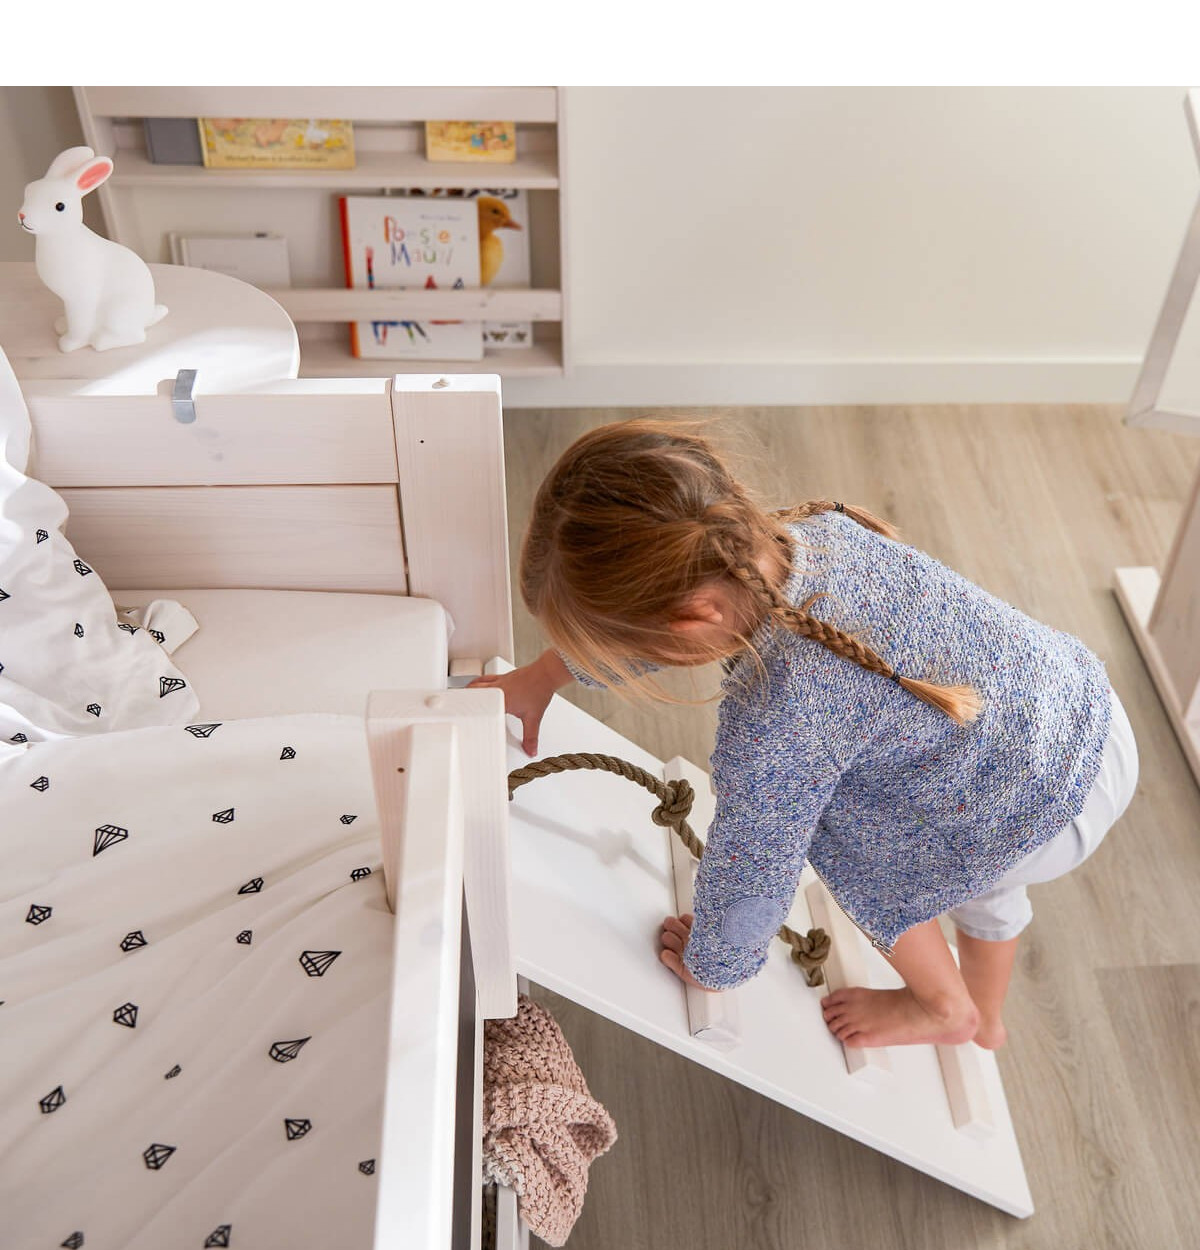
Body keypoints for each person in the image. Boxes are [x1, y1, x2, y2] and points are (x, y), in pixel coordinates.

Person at [469, 418, 1138, 1051]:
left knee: (852, 828)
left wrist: (715, 964)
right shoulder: (808, 534)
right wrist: (545, 675)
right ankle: (987, 1017)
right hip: (1081, 717)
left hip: (1034, 811)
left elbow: (755, 868)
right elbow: (674, 613)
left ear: (692, 616)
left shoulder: (779, 717)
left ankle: (946, 1006)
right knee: (978, 857)